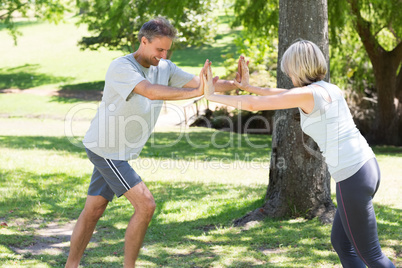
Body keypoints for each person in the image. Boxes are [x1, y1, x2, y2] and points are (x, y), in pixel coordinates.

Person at [202, 40, 396, 268]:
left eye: (289, 70)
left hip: (352, 175)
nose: (288, 75)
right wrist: (249, 87)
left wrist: (212, 96)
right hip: (367, 168)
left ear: (298, 68)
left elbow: (255, 105)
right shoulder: (325, 89)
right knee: (342, 243)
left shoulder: (309, 94)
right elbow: (281, 94)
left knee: (371, 255)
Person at [65, 17, 236, 268]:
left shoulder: (164, 66)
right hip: (106, 149)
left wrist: (238, 83)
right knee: (146, 205)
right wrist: (199, 91)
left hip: (116, 150)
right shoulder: (122, 67)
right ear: (143, 41)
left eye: (167, 49)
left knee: (94, 209)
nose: (164, 54)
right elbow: (151, 91)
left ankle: (71, 265)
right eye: (159, 49)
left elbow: (202, 84)